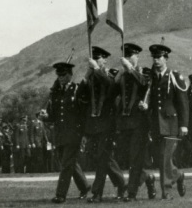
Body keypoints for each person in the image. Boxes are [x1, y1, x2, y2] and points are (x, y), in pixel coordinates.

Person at [39, 62, 90, 203]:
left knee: (67, 164)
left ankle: (61, 195)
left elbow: (82, 113)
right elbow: (54, 116)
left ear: (70, 75)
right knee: (68, 162)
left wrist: (83, 133)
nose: (61, 77)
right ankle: (85, 187)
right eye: (59, 75)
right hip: (60, 134)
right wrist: (45, 116)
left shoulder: (76, 90)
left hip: (74, 134)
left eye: (64, 75)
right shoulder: (56, 93)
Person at [81, 46, 126, 202]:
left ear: (104, 60)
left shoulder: (107, 75)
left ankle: (97, 193)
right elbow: (81, 96)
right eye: (94, 59)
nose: (95, 61)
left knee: (102, 157)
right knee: (101, 157)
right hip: (93, 123)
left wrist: (96, 70)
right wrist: (86, 76)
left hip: (107, 123)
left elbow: (111, 87)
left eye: (98, 58)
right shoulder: (91, 78)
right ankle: (121, 183)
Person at [113, 44, 156, 201]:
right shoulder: (122, 75)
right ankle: (148, 178)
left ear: (137, 57)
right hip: (124, 123)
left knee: (135, 158)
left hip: (139, 123)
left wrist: (130, 69)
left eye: (132, 55)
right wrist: (118, 77)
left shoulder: (143, 72)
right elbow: (114, 93)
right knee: (125, 158)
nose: (129, 58)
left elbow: (145, 84)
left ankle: (131, 193)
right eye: (127, 56)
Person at [146, 44, 188, 200]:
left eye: (159, 57)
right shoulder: (153, 77)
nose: (156, 61)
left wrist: (184, 125)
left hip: (171, 123)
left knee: (164, 158)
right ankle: (178, 175)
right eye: (154, 58)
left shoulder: (174, 76)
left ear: (166, 59)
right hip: (156, 124)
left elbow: (183, 102)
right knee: (160, 158)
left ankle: (166, 191)